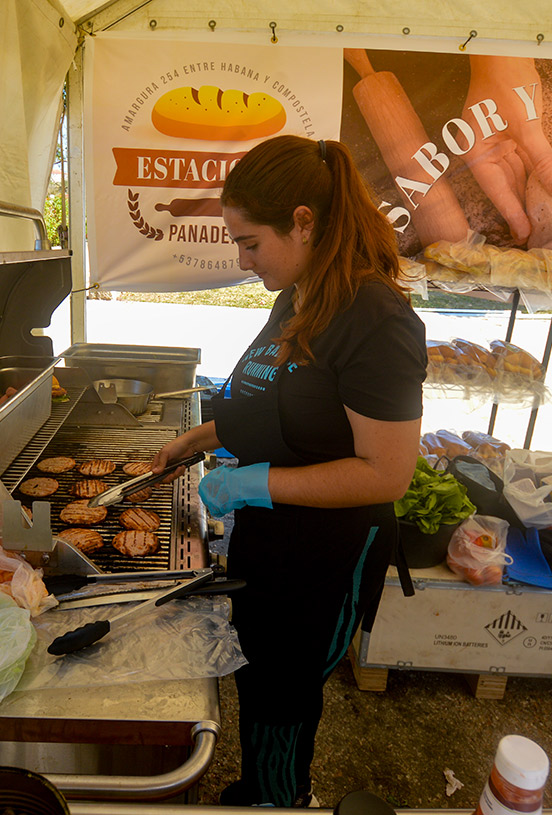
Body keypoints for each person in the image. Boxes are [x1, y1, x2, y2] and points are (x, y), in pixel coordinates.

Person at [151, 135, 427, 807]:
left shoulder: (377, 322)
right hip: (271, 539)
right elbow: (275, 401)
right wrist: (199, 436)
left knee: (284, 695)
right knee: (257, 672)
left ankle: (278, 802)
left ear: (303, 222)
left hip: (326, 559)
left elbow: (386, 473)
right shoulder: (298, 293)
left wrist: (252, 484)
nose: (243, 260)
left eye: (250, 243)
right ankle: (257, 788)